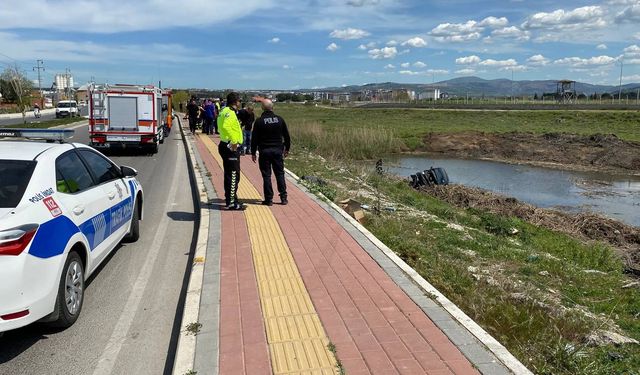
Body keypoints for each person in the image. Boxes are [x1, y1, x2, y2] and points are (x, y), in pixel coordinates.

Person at [251, 99, 290, 206]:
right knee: (280, 174)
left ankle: (268, 199)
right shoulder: (280, 119)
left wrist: (253, 152)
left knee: (266, 176)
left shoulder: (259, 121)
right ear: (272, 107)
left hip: (264, 152)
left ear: (262, 108)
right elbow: (286, 136)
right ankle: (283, 197)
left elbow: (254, 139)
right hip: (278, 151)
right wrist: (287, 149)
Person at [217, 92, 244, 210]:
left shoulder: (224, 111)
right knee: (233, 175)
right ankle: (232, 202)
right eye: (239, 101)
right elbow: (225, 126)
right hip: (230, 145)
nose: (240, 103)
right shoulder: (229, 113)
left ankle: (231, 199)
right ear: (235, 101)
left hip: (225, 144)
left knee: (230, 173)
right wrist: (235, 141)